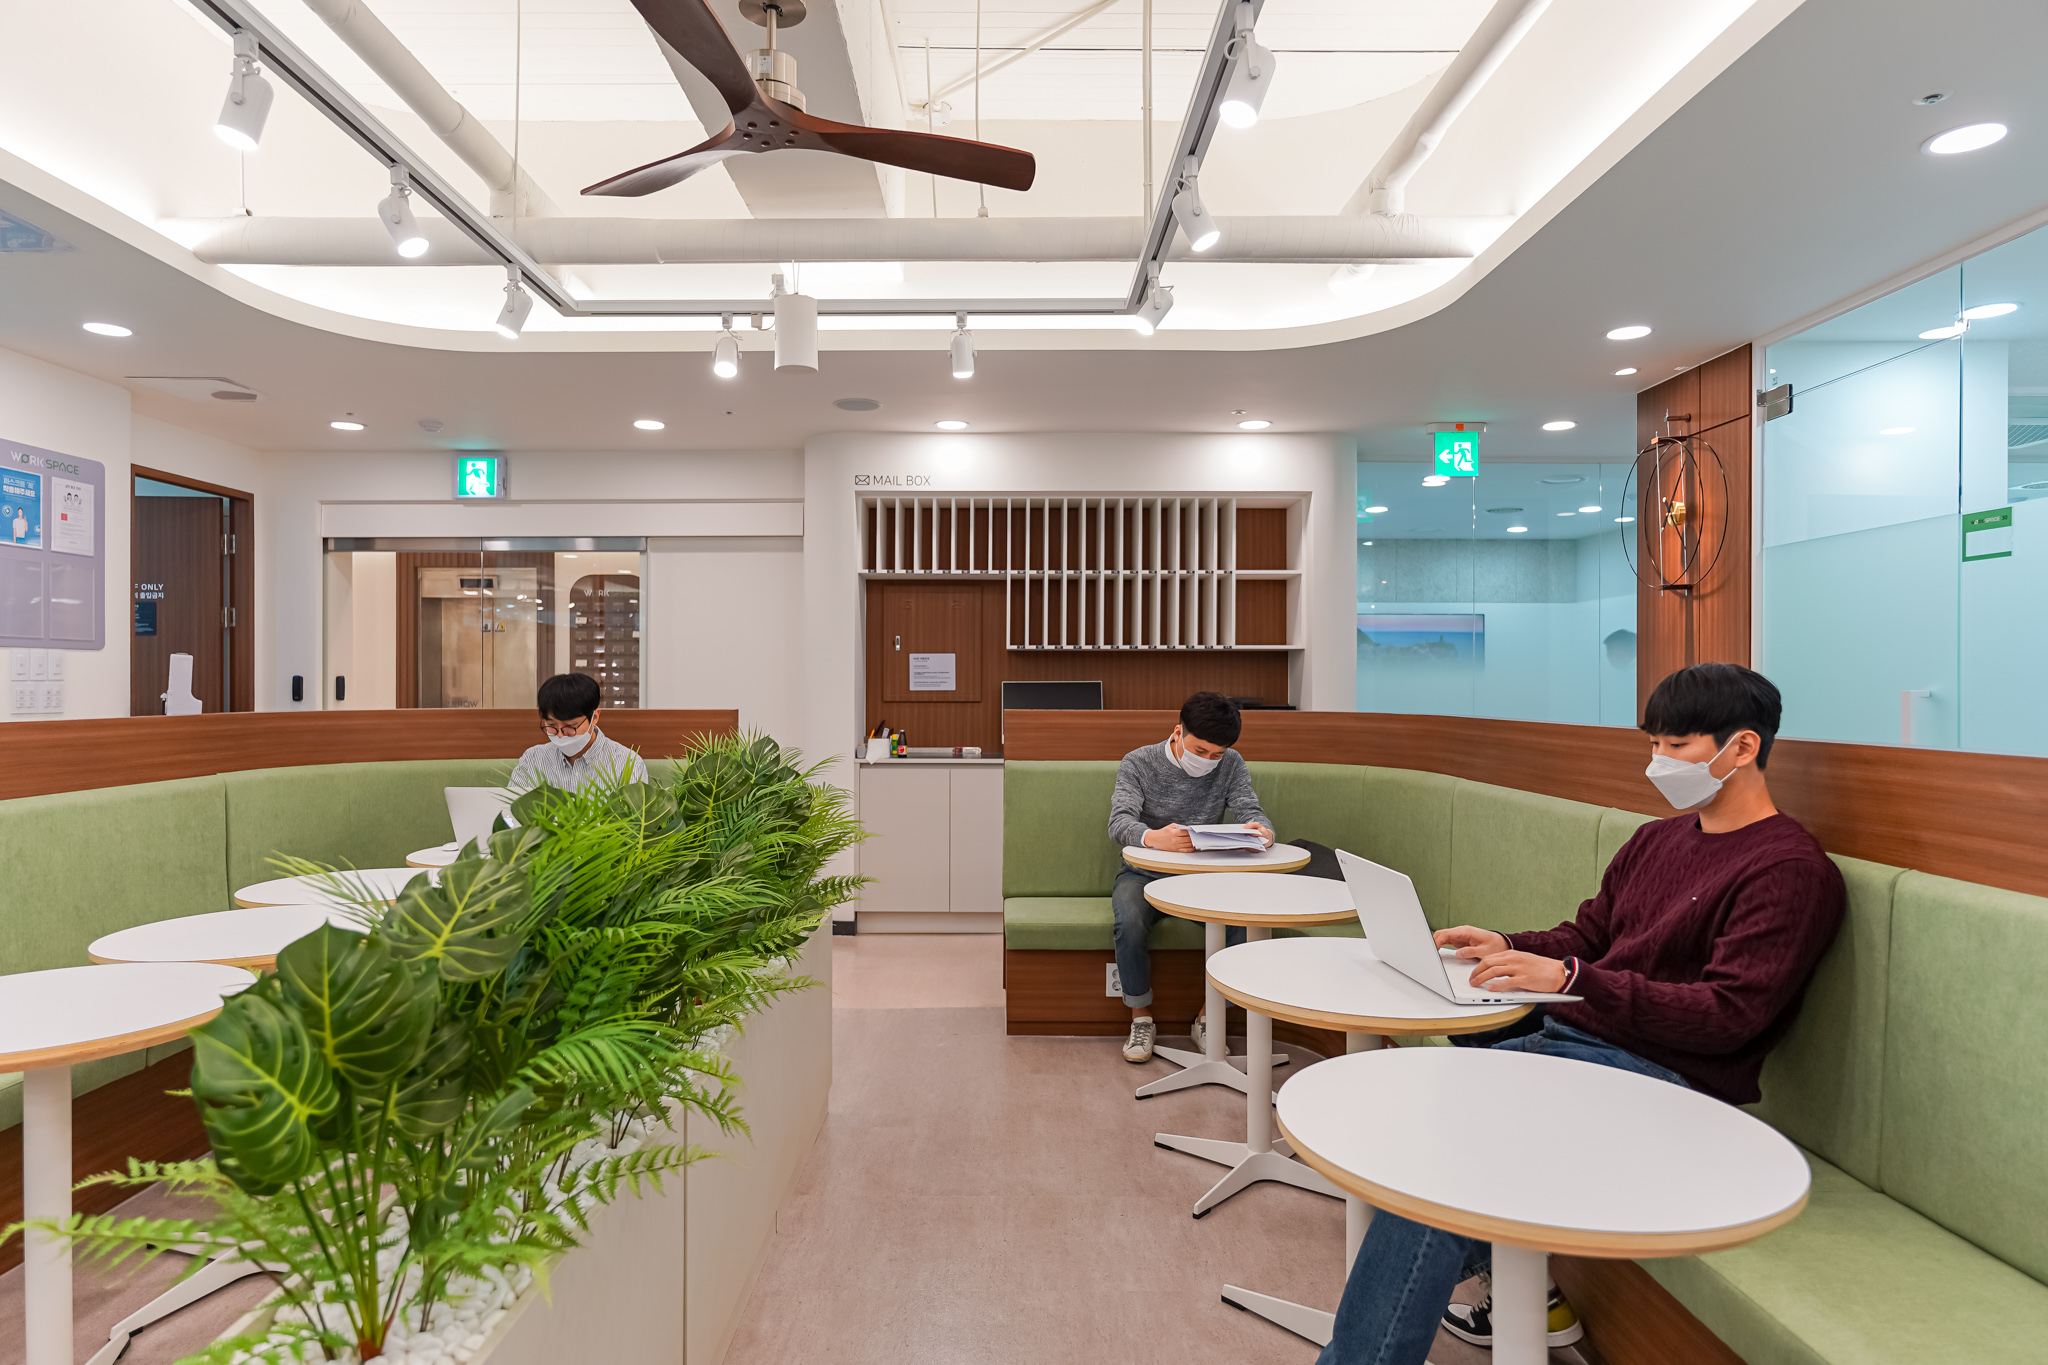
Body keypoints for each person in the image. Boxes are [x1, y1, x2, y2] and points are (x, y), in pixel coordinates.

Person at [1317, 663, 1846, 1363]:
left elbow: (1728, 1016)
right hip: (1579, 1041)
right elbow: (1589, 935)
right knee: (1434, 1107)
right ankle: (1513, 1284)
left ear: (1742, 746)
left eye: (1677, 746)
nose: (1658, 762)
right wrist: (1508, 945)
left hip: (1668, 1082)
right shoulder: (1657, 840)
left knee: (1433, 1167)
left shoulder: (1789, 870)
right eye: (1653, 744)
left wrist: (1572, 978)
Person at [1106, 692, 1275, 1063]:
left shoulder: (1231, 764)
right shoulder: (1138, 761)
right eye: (1200, 750)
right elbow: (1119, 823)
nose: (1208, 760)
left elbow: (1252, 811)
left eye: (1216, 754)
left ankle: (1208, 1017)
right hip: (1143, 874)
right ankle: (1141, 1018)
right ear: (1178, 732)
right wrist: (1154, 838)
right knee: (1128, 920)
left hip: (1204, 879)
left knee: (1244, 923)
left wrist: (1262, 832)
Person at [508, 672, 648, 795]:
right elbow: (511, 811)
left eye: (570, 726)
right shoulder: (532, 759)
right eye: (552, 725)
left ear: (595, 717)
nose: (560, 735)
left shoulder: (627, 764)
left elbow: (634, 816)